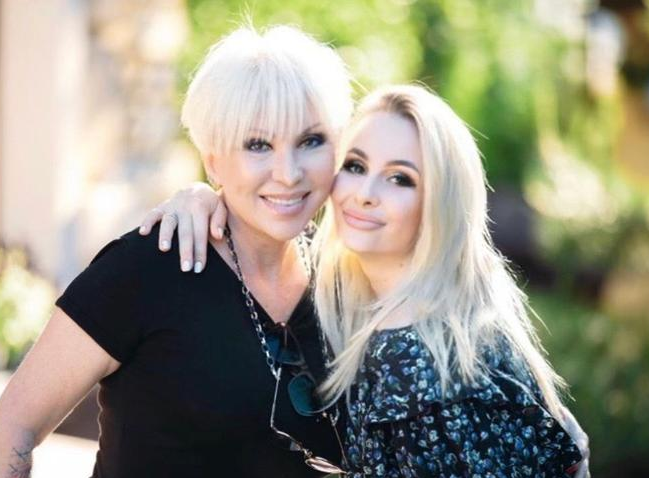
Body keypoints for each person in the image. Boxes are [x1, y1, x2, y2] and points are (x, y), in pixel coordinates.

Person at [140, 84, 590, 477]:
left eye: (400, 179)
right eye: (355, 166)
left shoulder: (420, 368)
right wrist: (203, 197)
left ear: (440, 202)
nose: (365, 194)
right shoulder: (398, 300)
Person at [0, 24, 353, 477]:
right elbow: (13, 425)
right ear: (213, 161)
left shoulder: (347, 283)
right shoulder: (146, 269)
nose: (287, 173)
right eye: (258, 145)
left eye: (310, 141)